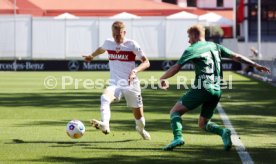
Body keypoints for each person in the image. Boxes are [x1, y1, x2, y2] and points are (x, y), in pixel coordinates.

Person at [159, 24, 270, 151]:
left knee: (175, 112)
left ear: (195, 35)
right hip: (217, 89)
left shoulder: (193, 48)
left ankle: (177, 138)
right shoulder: (215, 46)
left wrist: (162, 78)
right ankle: (223, 132)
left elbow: (176, 67)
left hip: (203, 87)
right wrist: (255, 64)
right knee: (203, 123)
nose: (188, 40)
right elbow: (237, 57)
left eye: (189, 37)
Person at [82, 21, 151, 140]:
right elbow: (101, 49)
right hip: (115, 83)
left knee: (140, 120)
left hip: (131, 84)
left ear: (124, 32)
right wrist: (92, 56)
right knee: (104, 98)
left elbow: (146, 62)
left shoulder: (132, 45)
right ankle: (105, 124)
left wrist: (135, 71)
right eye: (114, 35)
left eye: (119, 35)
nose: (116, 37)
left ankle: (140, 129)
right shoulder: (109, 43)